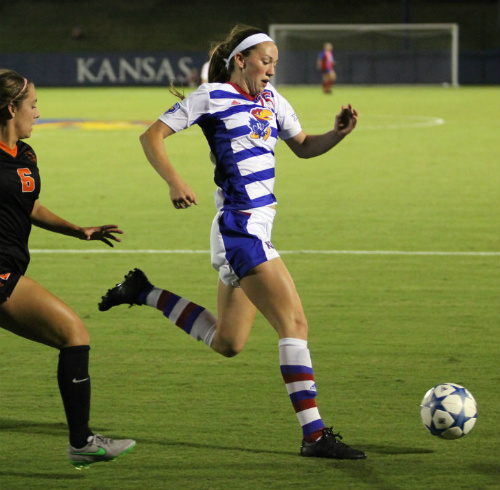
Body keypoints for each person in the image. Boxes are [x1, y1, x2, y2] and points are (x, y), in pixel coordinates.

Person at [99, 25, 365, 460]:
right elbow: (151, 136)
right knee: (294, 325)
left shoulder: (273, 101)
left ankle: (143, 291)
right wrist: (174, 180)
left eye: (275, 63)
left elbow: (302, 145)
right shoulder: (212, 95)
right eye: (265, 61)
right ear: (240, 60)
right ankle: (314, 437)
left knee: (228, 342)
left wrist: (337, 134)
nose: (272, 70)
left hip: (251, 231)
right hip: (241, 231)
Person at [0, 69, 136, 469]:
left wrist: (78, 230)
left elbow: (29, 204)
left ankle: (82, 441)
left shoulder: (25, 155)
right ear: (11, 108)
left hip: (10, 269)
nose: (38, 113)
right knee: (74, 334)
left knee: (73, 335)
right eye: (33, 105)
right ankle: (82, 442)